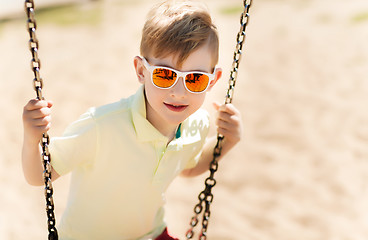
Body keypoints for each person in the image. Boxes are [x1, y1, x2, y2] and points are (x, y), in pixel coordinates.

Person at [22, 0, 243, 239]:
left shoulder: (197, 124)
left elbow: (188, 167)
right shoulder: (101, 126)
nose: (178, 92)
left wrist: (227, 141)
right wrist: (32, 137)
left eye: (195, 79)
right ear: (141, 71)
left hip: (150, 234)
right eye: (165, 75)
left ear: (213, 80)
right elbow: (38, 176)